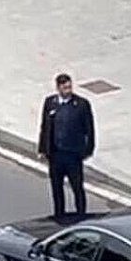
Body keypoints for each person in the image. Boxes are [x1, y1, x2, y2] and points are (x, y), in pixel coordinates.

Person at [37, 73, 96, 218]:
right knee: (57, 188)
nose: (68, 90)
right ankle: (59, 215)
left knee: (77, 187)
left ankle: (81, 215)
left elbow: (89, 128)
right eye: (64, 88)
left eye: (69, 87)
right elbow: (45, 127)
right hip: (56, 154)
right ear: (58, 88)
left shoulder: (81, 104)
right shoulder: (50, 102)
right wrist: (43, 149)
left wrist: (88, 150)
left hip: (73, 155)